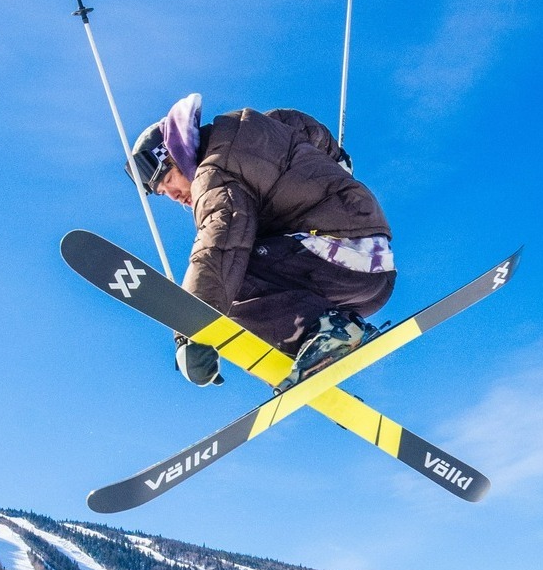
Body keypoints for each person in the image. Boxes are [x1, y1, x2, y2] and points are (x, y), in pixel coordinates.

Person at [128, 94, 394, 392]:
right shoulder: (258, 130)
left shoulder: (213, 174)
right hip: (372, 272)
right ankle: (320, 343)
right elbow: (302, 125)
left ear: (177, 151)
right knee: (242, 276)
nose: (174, 196)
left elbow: (219, 248)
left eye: (170, 180)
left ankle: (330, 332)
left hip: (337, 258)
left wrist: (191, 334)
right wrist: (336, 159)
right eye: (164, 194)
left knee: (230, 283)